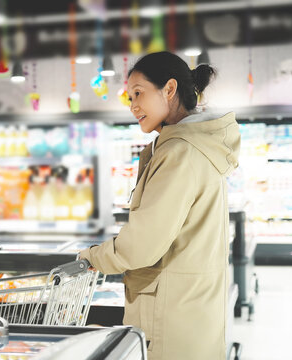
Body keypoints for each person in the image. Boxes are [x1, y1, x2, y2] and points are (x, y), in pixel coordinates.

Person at [79, 51, 240, 360]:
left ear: (169, 89)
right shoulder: (197, 147)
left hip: (169, 317)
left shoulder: (178, 153)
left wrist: (92, 257)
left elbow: (142, 245)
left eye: (138, 93)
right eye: (129, 98)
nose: (132, 105)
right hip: (192, 310)